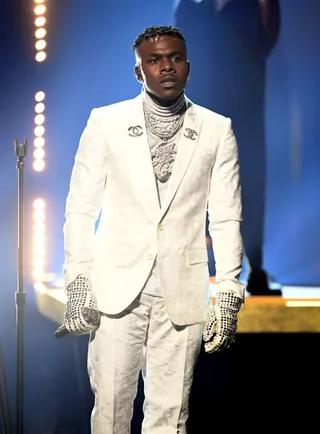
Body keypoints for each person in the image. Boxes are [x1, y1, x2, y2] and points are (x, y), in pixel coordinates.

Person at [62, 25, 245, 434]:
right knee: (110, 413)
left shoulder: (217, 129)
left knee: (170, 418)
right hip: (116, 288)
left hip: (181, 290)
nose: (166, 67)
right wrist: (78, 281)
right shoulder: (105, 122)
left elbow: (227, 216)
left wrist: (229, 291)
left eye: (175, 58)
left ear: (188, 67)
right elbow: (79, 209)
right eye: (154, 59)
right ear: (138, 71)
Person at [173, 0, 281, 295]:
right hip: (203, 115)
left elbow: (267, 39)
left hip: (245, 117)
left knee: (249, 187)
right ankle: (199, 264)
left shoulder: (250, 7)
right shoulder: (191, 8)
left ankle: (254, 265)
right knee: (197, 187)